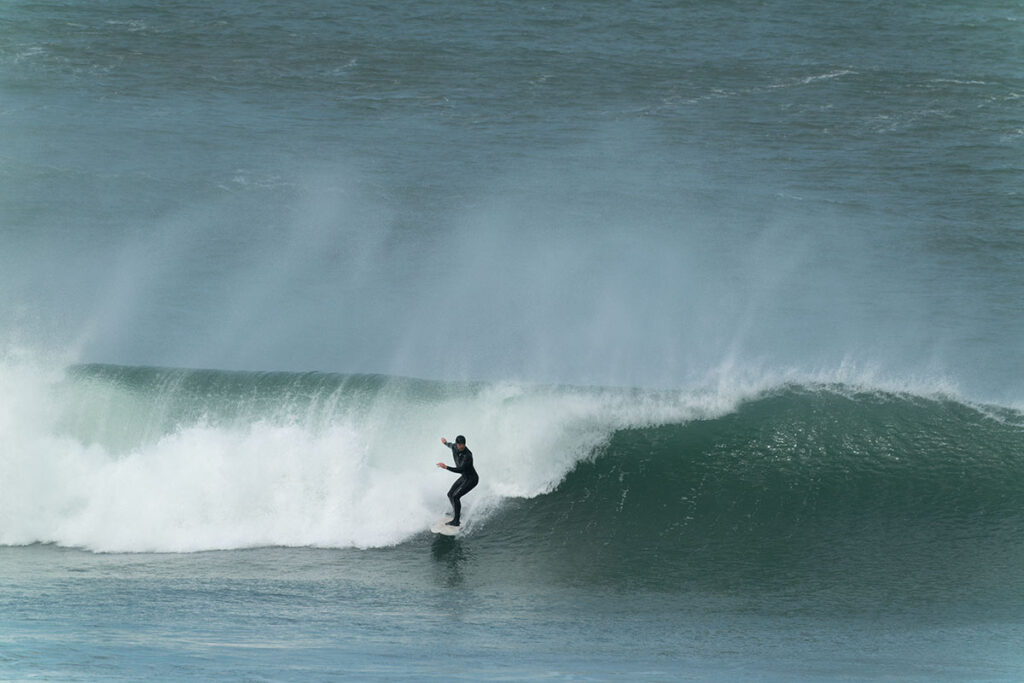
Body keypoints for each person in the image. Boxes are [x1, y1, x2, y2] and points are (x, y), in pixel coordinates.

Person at [436, 435, 478, 527]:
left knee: (455, 497)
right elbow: (450, 445)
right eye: (460, 445)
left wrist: (446, 467)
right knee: (450, 494)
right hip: (464, 477)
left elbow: (460, 469)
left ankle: (456, 521)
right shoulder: (454, 446)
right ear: (457, 444)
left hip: (472, 479)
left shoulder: (468, 456)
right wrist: (445, 443)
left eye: (463, 445)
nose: (462, 447)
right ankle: (456, 512)